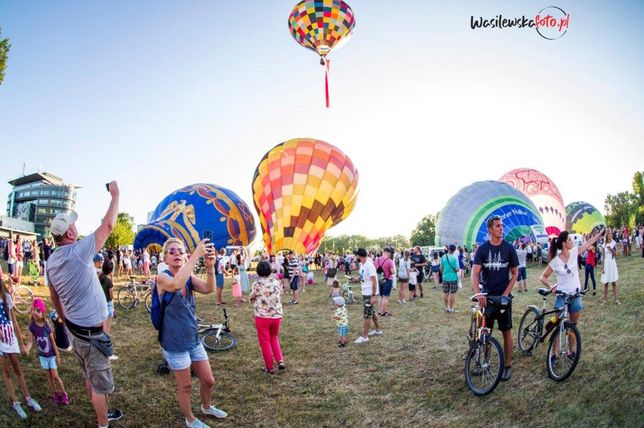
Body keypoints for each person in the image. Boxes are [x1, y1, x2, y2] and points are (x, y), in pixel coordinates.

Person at [46, 182, 123, 428]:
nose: (76, 227)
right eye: (73, 225)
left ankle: (100, 412)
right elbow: (108, 226)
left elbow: (54, 296)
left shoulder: (51, 261)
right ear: (69, 234)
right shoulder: (79, 251)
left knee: (88, 375)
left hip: (76, 330)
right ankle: (103, 423)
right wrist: (116, 195)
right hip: (92, 335)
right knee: (100, 383)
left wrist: (63, 319)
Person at [157, 238, 227, 428]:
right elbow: (175, 285)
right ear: (165, 258)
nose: (177, 254)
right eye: (172, 251)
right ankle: (190, 419)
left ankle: (206, 407)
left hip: (193, 338)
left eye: (180, 251)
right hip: (174, 342)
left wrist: (210, 267)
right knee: (186, 386)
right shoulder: (162, 278)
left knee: (209, 380)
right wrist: (195, 255)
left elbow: (209, 288)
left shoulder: (187, 277)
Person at [539, 229, 605, 364]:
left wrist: (599, 235)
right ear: (564, 243)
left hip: (575, 295)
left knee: (573, 326)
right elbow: (543, 277)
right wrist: (552, 286)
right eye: (569, 240)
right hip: (562, 296)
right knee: (557, 325)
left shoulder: (574, 252)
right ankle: (555, 353)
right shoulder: (555, 261)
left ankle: (570, 350)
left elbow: (588, 243)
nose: (572, 242)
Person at [471, 216, 519, 382]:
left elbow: (516, 273)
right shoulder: (482, 250)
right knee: (486, 332)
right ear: (490, 230)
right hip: (488, 298)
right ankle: (484, 362)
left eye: (502, 226)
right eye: (498, 226)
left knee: (506, 332)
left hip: (503, 299)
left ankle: (507, 366)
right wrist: (479, 294)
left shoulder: (509, 249)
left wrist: (506, 293)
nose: (501, 228)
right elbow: (475, 274)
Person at [0, 268, 42, 419]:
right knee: (6, 371)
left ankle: (28, 398)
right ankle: (15, 402)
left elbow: (15, 322)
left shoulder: (6, 296)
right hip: (0, 342)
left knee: (17, 369)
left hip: (10, 338)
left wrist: (22, 343)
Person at [29, 298, 69, 405]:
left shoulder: (46, 324)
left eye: (38, 310)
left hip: (51, 355)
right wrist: (26, 348)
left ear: (43, 313)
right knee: (49, 377)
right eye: (33, 309)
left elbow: (52, 341)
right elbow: (30, 341)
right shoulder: (32, 326)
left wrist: (58, 355)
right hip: (42, 356)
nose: (35, 313)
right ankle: (55, 394)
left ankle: (64, 394)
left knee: (55, 376)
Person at [249, 261, 285, 374]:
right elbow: (280, 293)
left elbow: (251, 297)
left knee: (264, 342)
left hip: (262, 317)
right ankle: (280, 360)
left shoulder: (257, 284)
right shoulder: (276, 282)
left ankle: (269, 367)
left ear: (258, 271)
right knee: (274, 337)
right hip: (276, 315)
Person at [353, 248, 383, 344]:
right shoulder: (362, 265)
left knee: (367, 315)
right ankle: (378, 330)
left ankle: (365, 337)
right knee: (371, 312)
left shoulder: (369, 265)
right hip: (366, 292)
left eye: (356, 255)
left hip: (370, 293)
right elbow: (364, 278)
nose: (355, 256)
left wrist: (373, 296)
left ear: (360, 256)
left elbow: (374, 281)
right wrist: (356, 278)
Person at [98, 261, 117, 359]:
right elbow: (111, 296)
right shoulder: (108, 281)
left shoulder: (98, 277)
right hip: (108, 305)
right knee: (106, 331)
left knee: (101, 329)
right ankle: (107, 353)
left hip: (99, 304)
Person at [600, 231, 620, 305]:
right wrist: (602, 267)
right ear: (606, 235)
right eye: (609, 234)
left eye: (611, 234)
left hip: (612, 263)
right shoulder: (603, 245)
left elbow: (616, 254)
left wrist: (611, 249)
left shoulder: (614, 243)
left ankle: (616, 300)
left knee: (614, 282)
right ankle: (605, 300)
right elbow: (603, 257)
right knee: (606, 283)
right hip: (606, 264)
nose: (610, 235)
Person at [440, 245, 460, 313]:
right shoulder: (455, 257)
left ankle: (446, 307)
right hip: (453, 278)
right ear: (454, 250)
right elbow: (457, 269)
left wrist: (443, 274)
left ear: (448, 249)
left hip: (445, 277)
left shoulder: (443, 256)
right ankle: (451, 308)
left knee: (446, 293)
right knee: (453, 293)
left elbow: (441, 267)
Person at [376, 247, 396, 317]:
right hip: (387, 280)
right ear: (389, 253)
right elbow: (393, 272)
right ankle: (383, 312)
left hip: (380, 279)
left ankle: (379, 310)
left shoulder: (377, 259)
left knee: (380, 296)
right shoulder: (389, 261)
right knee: (385, 297)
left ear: (383, 252)